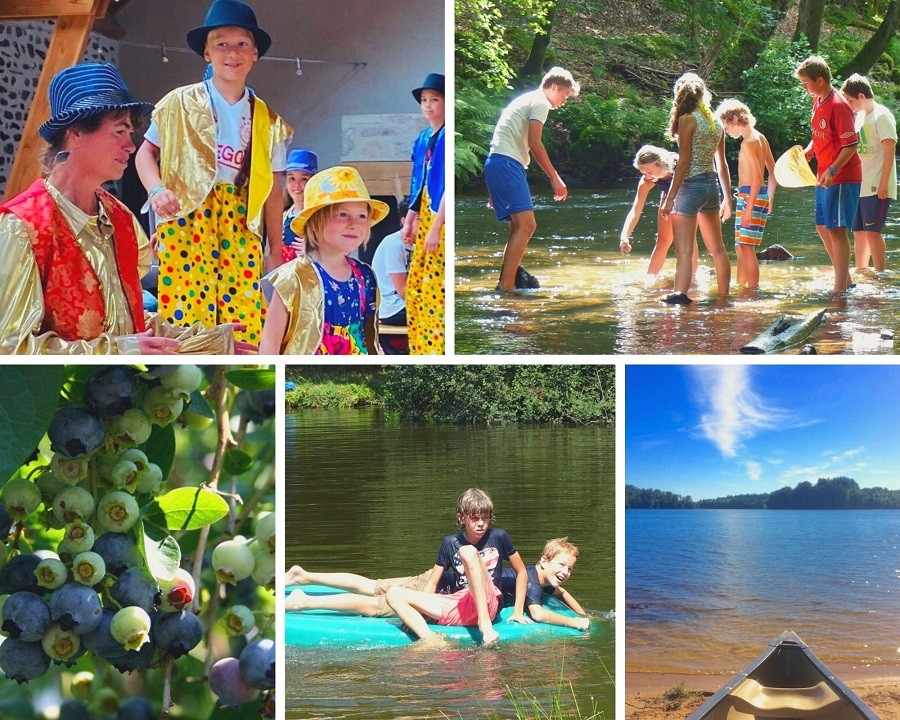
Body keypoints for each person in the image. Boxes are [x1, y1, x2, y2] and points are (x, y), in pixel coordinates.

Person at [0, 62, 242, 355]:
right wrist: (120, 350)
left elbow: (131, 325)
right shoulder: (22, 227)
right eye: (120, 131)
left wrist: (209, 342)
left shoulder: (121, 218)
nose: (131, 145)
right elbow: (10, 347)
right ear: (75, 132)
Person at [135, 0, 293, 345]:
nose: (231, 53)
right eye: (221, 43)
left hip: (241, 218)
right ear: (206, 53)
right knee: (186, 309)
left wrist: (276, 251)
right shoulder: (178, 102)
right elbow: (145, 154)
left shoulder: (269, 120)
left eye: (242, 45)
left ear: (255, 54)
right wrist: (156, 189)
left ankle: (240, 380)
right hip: (187, 213)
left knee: (244, 312)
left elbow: (273, 190)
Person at [284, 536, 590, 632]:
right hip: (439, 589)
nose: (565, 572)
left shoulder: (542, 576)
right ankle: (304, 601)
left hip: (442, 584)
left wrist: (583, 611)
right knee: (377, 606)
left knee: (373, 584)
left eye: (570, 568)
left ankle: (304, 576)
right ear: (545, 561)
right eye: (561, 565)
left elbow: (560, 591)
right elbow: (538, 612)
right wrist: (575, 624)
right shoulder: (535, 581)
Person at [258, 166, 387, 355]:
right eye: (343, 214)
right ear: (316, 220)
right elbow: (270, 342)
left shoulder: (366, 276)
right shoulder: (293, 277)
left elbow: (370, 336)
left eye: (362, 216)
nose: (354, 224)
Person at [385, 488, 530, 647]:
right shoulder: (450, 542)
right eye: (474, 518)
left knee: (467, 551)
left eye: (485, 518)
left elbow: (521, 572)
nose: (481, 523)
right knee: (393, 593)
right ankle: (431, 640)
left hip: (488, 604)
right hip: (461, 604)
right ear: (461, 518)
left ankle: (485, 625)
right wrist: (419, 612)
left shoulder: (499, 536)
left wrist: (517, 611)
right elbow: (433, 582)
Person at [484, 67, 580, 292]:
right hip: (506, 164)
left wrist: (496, 186)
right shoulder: (540, 102)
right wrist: (555, 178)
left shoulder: (527, 99)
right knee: (527, 225)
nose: (563, 102)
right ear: (554, 87)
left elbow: (506, 139)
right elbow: (535, 143)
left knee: (518, 226)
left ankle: (508, 282)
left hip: (500, 164)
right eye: (564, 95)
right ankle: (506, 288)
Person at [660, 73, 732, 305]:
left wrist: (670, 198)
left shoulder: (687, 120)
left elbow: (683, 163)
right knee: (718, 249)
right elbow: (722, 164)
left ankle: (680, 296)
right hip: (711, 186)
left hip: (690, 187)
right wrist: (728, 198)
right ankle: (723, 298)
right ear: (703, 94)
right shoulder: (716, 122)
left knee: (684, 251)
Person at [795, 55, 861, 293]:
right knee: (822, 227)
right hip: (823, 174)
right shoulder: (817, 101)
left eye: (806, 83)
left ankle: (839, 289)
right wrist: (811, 150)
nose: (804, 88)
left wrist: (833, 169)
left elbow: (851, 145)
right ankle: (846, 279)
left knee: (836, 229)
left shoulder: (839, 105)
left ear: (820, 80)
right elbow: (821, 134)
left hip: (842, 176)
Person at [402, 73, 445, 354]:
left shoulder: (446, 137)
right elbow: (418, 182)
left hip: (439, 217)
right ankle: (419, 347)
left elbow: (445, 187)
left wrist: (435, 228)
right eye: (424, 100)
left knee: (434, 287)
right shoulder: (423, 138)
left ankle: (436, 347)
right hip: (426, 213)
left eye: (435, 100)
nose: (428, 105)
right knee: (415, 285)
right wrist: (409, 218)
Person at [715, 98, 777, 290]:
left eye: (726, 126)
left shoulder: (748, 143)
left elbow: (758, 178)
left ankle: (752, 290)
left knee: (746, 248)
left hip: (750, 197)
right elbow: (773, 172)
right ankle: (741, 286)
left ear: (735, 119)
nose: (726, 131)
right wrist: (770, 197)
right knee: (740, 246)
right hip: (755, 196)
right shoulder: (760, 137)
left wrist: (749, 209)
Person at [839, 73, 896, 272]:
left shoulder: (882, 115)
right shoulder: (859, 117)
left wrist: (884, 183)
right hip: (859, 185)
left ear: (861, 96)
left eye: (850, 101)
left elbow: (890, 149)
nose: (850, 105)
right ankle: (861, 271)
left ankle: (880, 273)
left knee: (872, 231)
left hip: (877, 185)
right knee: (858, 232)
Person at [620, 145, 697, 279]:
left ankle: (691, 279)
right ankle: (651, 279)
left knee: (688, 239)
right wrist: (624, 235)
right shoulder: (646, 181)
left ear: (661, 164)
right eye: (643, 173)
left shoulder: (680, 165)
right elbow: (636, 209)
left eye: (649, 172)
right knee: (663, 240)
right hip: (668, 193)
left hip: (691, 191)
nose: (647, 176)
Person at [372, 200, 411, 354]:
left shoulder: (420, 244)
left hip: (407, 303)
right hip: (392, 306)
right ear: (404, 221)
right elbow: (404, 292)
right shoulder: (394, 245)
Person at [282, 147, 319, 262]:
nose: (297, 185)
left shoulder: (320, 215)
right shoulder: (283, 216)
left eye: (304, 179)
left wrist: (313, 250)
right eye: (291, 178)